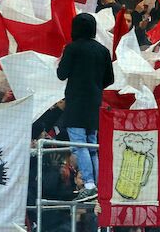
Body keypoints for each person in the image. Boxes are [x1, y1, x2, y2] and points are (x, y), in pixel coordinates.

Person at [57, 13, 114, 202]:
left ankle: (89, 184)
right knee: (91, 146)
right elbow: (110, 79)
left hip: (75, 104)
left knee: (79, 145)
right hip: (94, 104)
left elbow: (61, 73)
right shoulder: (103, 51)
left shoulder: (72, 48)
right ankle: (98, 185)